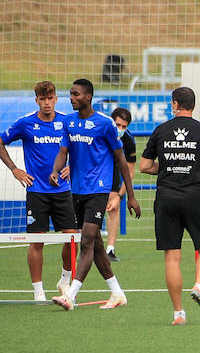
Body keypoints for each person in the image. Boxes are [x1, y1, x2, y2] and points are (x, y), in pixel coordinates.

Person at [49, 78, 140, 311]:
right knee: (96, 245)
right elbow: (63, 152)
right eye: (71, 94)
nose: (72, 98)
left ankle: (70, 295)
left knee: (87, 240)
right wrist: (55, 170)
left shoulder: (105, 124)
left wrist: (130, 195)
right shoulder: (69, 122)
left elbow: (121, 160)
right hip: (77, 190)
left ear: (88, 96)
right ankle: (117, 293)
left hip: (98, 190)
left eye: (76, 94)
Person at [141, 86, 200, 325]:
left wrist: (168, 169)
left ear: (175, 104)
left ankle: (178, 313)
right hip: (194, 196)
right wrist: (196, 171)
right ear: (193, 106)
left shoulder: (160, 130)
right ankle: (198, 285)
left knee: (172, 257)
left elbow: (144, 166)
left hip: (166, 197)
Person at [0, 81, 76, 302]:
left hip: (63, 190)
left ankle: (64, 281)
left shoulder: (67, 121)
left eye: (50, 98)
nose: (47, 103)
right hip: (36, 191)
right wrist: (15, 169)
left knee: (72, 239)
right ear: (36, 100)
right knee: (37, 242)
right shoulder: (26, 123)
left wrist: (73, 166)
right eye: (42, 99)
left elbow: (81, 146)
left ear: (56, 99)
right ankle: (38, 290)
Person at [105, 106, 137, 262]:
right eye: (118, 125)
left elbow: (130, 172)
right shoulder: (102, 131)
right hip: (92, 173)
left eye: (124, 126)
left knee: (114, 207)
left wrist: (119, 196)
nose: (120, 129)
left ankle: (110, 250)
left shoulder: (128, 140)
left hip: (112, 173)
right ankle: (87, 248)